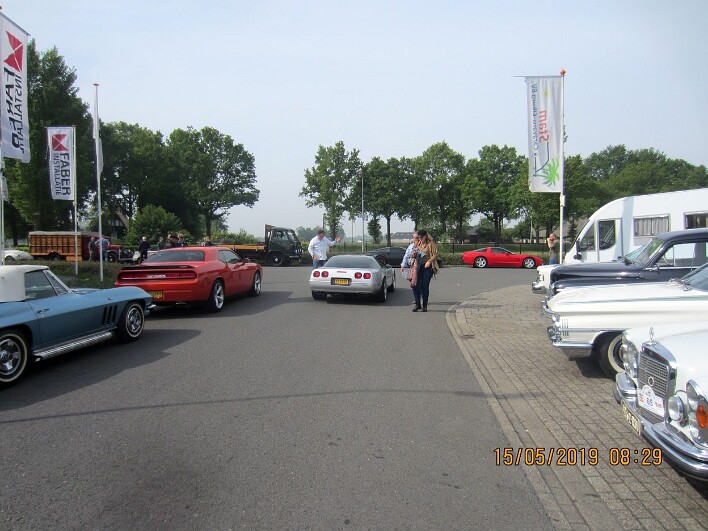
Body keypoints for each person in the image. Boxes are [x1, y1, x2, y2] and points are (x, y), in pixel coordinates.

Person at [410, 229, 439, 312]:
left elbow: (436, 254)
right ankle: (417, 304)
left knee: (424, 286)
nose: (420, 239)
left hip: (427, 267)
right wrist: (413, 254)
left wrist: (429, 261)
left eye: (422, 237)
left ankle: (425, 305)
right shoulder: (418, 243)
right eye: (419, 237)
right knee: (415, 285)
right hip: (418, 266)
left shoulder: (430, 243)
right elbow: (412, 252)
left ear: (426, 236)